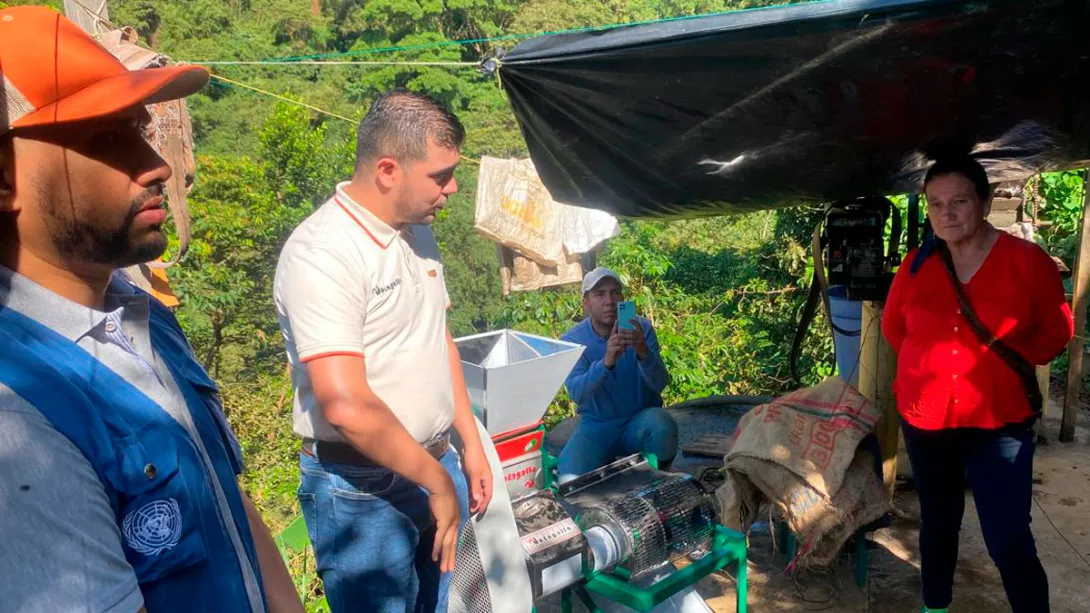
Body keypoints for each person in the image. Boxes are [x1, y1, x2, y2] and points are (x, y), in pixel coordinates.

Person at [0, 7, 302, 613]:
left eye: (142, 132)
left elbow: (221, 498)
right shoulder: (20, 420)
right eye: (107, 138)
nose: (157, 166)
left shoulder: (145, 318)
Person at [274, 90, 492, 613]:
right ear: (389, 170)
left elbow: (434, 338)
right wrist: (438, 482)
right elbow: (345, 406)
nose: (452, 188)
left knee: (442, 605)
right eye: (440, 176)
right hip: (361, 492)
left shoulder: (417, 234)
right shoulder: (323, 253)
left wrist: (470, 442)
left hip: (436, 465)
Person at [883, 155, 1073, 613]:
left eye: (960, 201)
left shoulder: (1027, 263)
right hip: (927, 418)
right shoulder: (915, 265)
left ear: (985, 203)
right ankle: (936, 606)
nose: (946, 213)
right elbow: (895, 329)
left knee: (1007, 534)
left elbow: (1057, 330)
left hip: (999, 421)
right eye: (936, 204)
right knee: (939, 522)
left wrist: (1004, 365)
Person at [557, 267, 677, 482]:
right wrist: (606, 363)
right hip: (597, 425)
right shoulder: (572, 341)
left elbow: (660, 383)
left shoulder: (642, 328)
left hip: (639, 421)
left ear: (622, 298)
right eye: (600, 294)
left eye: (615, 293)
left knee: (661, 424)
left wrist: (642, 351)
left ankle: (661, 483)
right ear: (586, 304)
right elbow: (577, 393)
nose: (609, 301)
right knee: (568, 480)